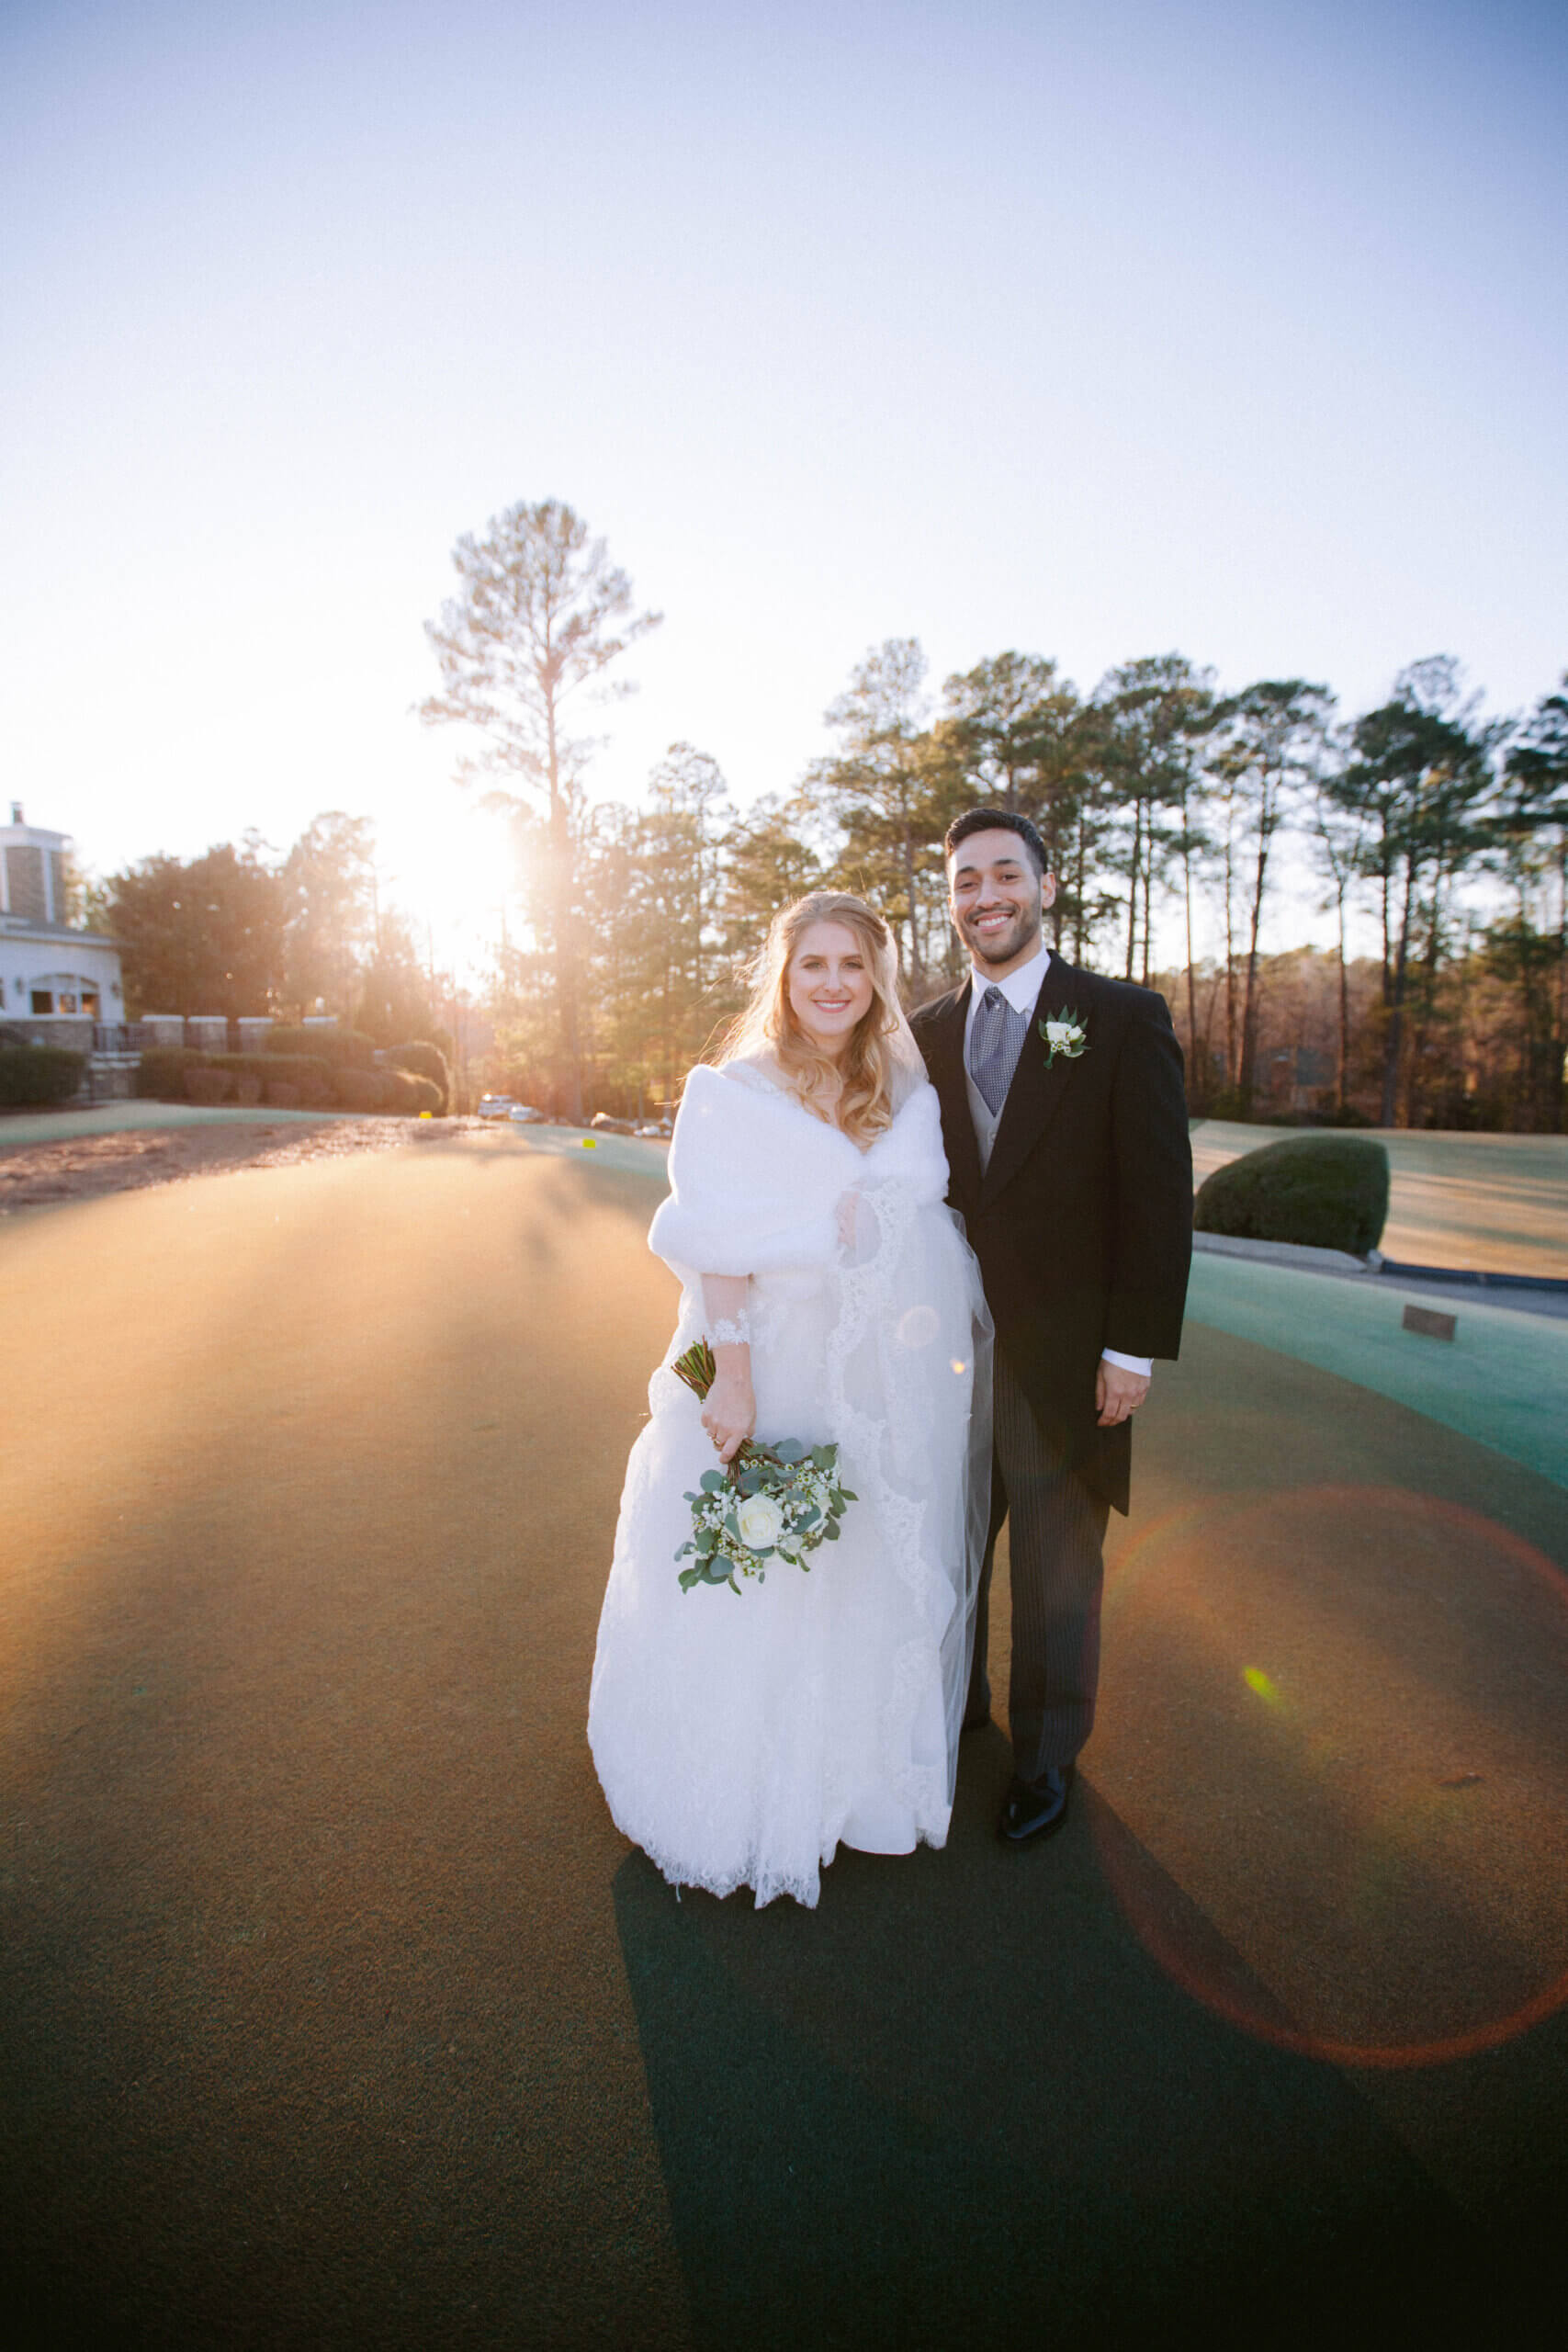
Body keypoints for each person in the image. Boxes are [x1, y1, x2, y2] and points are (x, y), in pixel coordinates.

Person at [589, 893, 993, 1909]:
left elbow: (929, 1215)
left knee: (851, 1562)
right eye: (812, 963)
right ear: (783, 972)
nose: (831, 984)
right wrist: (734, 1374)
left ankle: (845, 1781)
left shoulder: (902, 1081)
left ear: (875, 978)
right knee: (758, 1565)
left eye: (851, 966)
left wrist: (883, 1215)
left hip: (868, 1372)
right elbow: (716, 1242)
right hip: (762, 1352)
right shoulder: (734, 1090)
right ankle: (734, 1783)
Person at [909, 809, 1192, 1847]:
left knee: (1058, 1568)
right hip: (942, 1354)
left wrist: (1131, 1348)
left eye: (1003, 874)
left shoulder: (1117, 1017)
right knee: (948, 1545)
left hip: (1068, 1354)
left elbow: (1158, 1195)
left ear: (1046, 885)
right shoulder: (925, 1030)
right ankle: (960, 1713)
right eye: (965, 881)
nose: (985, 895)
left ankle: (1044, 1760)